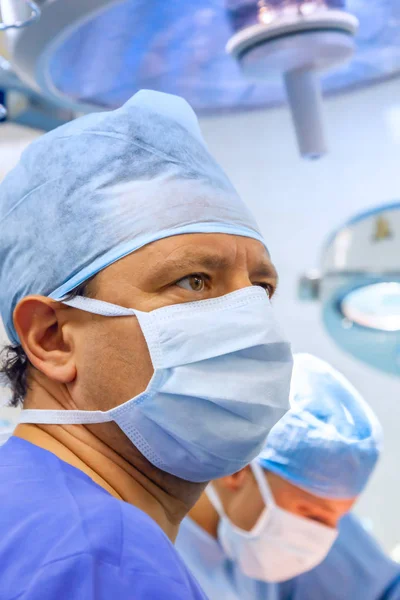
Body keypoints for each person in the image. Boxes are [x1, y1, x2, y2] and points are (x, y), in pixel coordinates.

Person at [0, 90, 293, 599]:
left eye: (261, 288)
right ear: (53, 338)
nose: (249, 319)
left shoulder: (29, 515)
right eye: (195, 281)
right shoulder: (101, 559)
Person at [176, 353, 400, 599]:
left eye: (338, 519)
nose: (323, 537)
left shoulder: (252, 542)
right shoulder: (152, 557)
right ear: (238, 472)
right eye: (311, 514)